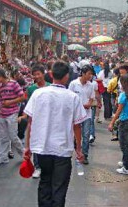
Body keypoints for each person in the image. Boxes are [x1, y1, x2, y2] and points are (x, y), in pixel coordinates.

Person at [24, 61, 86, 207]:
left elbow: (30, 122)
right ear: (66, 77)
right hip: (62, 149)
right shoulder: (72, 97)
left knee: (45, 181)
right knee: (59, 187)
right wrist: (79, 149)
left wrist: (27, 147)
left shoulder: (38, 94)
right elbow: (77, 126)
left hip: (42, 147)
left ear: (51, 74)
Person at [0, 68, 25, 165]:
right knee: (3, 137)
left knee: (13, 136)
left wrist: (10, 102)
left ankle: (24, 155)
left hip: (12, 114)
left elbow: (22, 97)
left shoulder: (13, 84)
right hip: (2, 114)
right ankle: (3, 157)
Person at [108, 74, 128, 175]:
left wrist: (112, 123)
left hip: (125, 122)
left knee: (124, 145)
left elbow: (118, 111)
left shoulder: (123, 95)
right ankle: (126, 162)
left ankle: (127, 167)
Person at [26, 64, 50, 179]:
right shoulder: (31, 89)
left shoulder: (50, 87)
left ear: (43, 74)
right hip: (36, 120)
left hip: (49, 120)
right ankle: (37, 167)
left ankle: (46, 166)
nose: (37, 76)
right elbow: (29, 106)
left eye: (38, 74)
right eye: (34, 75)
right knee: (36, 143)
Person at [69, 64, 95, 164]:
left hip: (87, 114)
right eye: (89, 74)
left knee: (86, 134)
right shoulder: (73, 84)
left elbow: (92, 98)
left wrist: (89, 103)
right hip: (76, 115)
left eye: (91, 74)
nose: (90, 76)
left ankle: (85, 155)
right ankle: (77, 151)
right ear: (83, 73)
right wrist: (81, 106)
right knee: (76, 135)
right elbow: (69, 98)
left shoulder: (91, 85)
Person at [90, 78, 102, 144]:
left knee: (91, 121)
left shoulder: (94, 83)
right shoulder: (76, 83)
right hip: (85, 105)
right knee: (90, 121)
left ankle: (91, 135)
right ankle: (90, 135)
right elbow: (97, 94)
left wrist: (99, 102)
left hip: (92, 104)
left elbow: (97, 94)